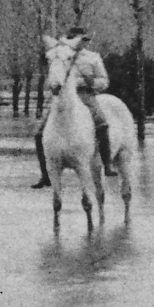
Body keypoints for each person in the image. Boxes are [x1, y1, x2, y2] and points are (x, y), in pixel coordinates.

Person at [31, 26, 116, 189]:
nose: (80, 44)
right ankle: (45, 174)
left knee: (101, 121)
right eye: (75, 40)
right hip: (63, 96)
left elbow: (104, 80)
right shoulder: (60, 55)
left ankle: (107, 164)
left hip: (85, 95)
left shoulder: (93, 58)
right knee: (39, 132)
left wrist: (92, 83)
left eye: (83, 40)